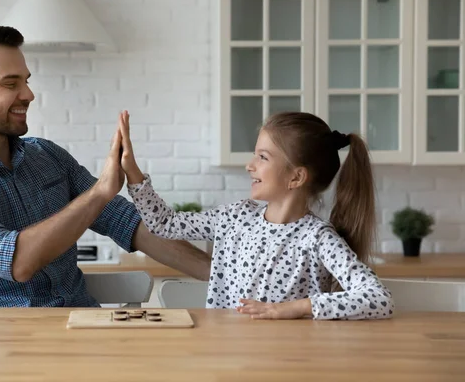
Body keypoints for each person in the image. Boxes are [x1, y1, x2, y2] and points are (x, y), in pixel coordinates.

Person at [0, 22, 210, 307]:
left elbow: (130, 225)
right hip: (3, 346)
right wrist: (99, 193)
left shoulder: (47, 156)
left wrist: (233, 277)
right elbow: (17, 261)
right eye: (10, 83)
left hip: (81, 329)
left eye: (25, 81)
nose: (28, 94)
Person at [118, 110, 394, 320]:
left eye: (263, 157)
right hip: (230, 356)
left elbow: (378, 299)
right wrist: (132, 172)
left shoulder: (317, 238)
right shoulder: (236, 217)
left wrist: (291, 309)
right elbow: (165, 224)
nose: (250, 166)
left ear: (296, 177)